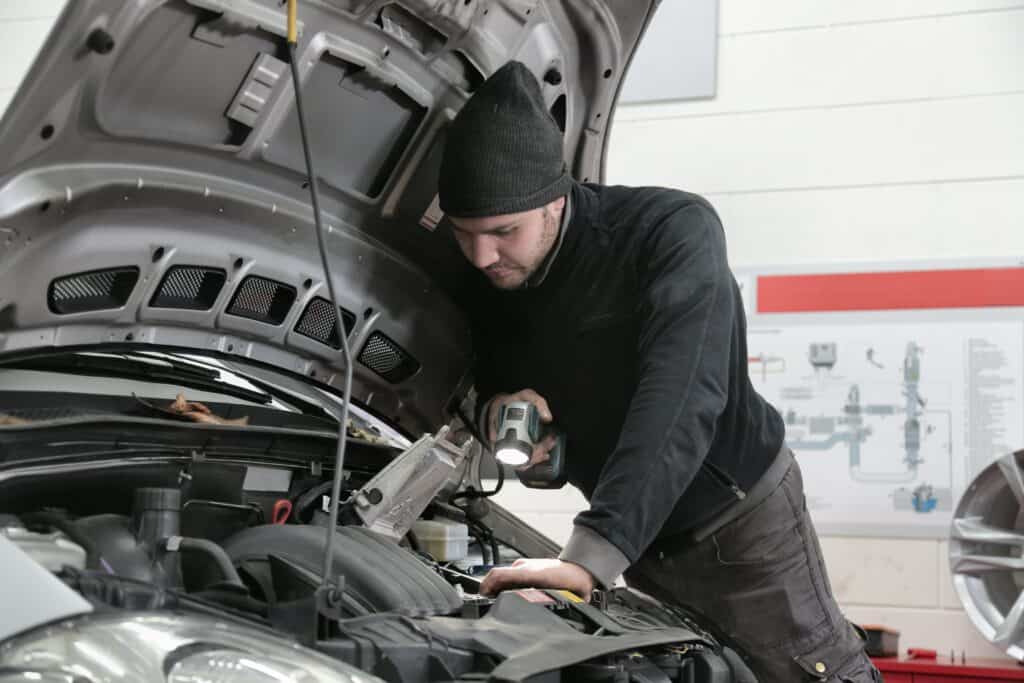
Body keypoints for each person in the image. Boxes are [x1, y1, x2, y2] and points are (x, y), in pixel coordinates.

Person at [436, 60, 881, 683]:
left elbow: (681, 397)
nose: (482, 256)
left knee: (808, 673)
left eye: (503, 232)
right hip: (637, 538)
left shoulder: (668, 233)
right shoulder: (486, 274)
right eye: (463, 235)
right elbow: (475, 372)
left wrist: (589, 557)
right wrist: (499, 414)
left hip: (739, 525)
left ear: (555, 200)